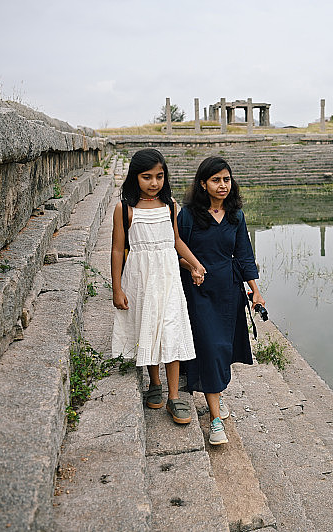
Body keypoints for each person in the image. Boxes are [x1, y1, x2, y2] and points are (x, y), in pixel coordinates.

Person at [110, 148, 206, 425]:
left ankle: (175, 397)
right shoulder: (125, 209)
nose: (154, 183)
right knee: (149, 327)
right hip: (140, 279)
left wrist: (195, 264)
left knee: (171, 330)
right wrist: (117, 288)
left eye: (159, 176)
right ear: (134, 177)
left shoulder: (170, 206)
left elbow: (176, 241)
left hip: (168, 278)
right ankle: (155, 382)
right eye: (147, 177)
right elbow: (118, 250)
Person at [178, 156, 264, 445]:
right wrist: (193, 267)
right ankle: (215, 420)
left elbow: (244, 254)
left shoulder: (235, 215)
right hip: (199, 289)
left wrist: (255, 291)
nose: (223, 185)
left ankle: (215, 394)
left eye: (226, 179)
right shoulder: (189, 215)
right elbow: (176, 251)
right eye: (216, 180)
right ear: (203, 184)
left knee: (223, 349)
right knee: (211, 347)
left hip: (228, 290)